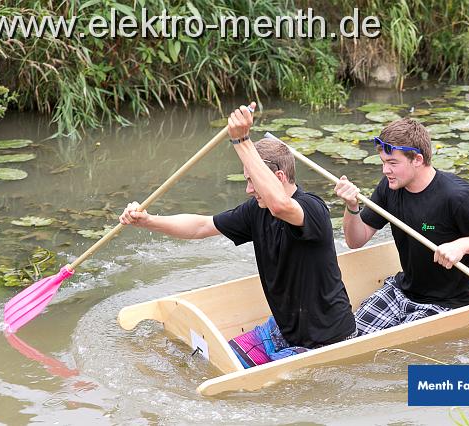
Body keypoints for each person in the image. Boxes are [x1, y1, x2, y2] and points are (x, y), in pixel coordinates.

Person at [119, 102, 356, 368]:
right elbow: (201, 227)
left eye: (251, 180)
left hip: (327, 340)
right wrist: (148, 221)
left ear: (277, 177)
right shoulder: (256, 210)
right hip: (283, 331)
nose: (247, 190)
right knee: (211, 363)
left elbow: (281, 205)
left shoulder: (313, 209)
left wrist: (242, 140)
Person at [334, 118, 469, 336]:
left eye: (392, 163)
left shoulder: (456, 195)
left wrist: (462, 245)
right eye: (383, 162)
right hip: (403, 290)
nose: (385, 170)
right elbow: (356, 241)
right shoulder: (389, 187)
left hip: (451, 302)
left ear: (417, 159)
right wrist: (352, 206)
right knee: (348, 337)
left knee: (391, 348)